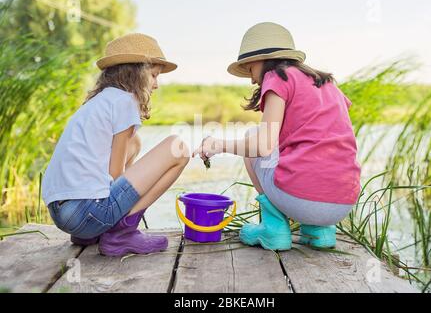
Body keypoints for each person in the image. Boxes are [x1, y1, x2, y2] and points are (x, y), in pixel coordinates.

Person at [193, 22, 361, 250]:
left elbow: (263, 145)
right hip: (344, 203)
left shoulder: (277, 77)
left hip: (302, 201)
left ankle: (274, 229)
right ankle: (318, 231)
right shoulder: (329, 83)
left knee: (255, 138)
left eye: (250, 70)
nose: (253, 80)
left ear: (261, 61)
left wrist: (218, 144)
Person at [42, 33, 190, 257]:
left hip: (61, 212)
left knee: (135, 142)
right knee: (178, 147)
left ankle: (91, 234)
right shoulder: (124, 100)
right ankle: (122, 233)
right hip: (88, 213)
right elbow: (115, 174)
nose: (156, 85)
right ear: (137, 72)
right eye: (153, 75)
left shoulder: (99, 101)